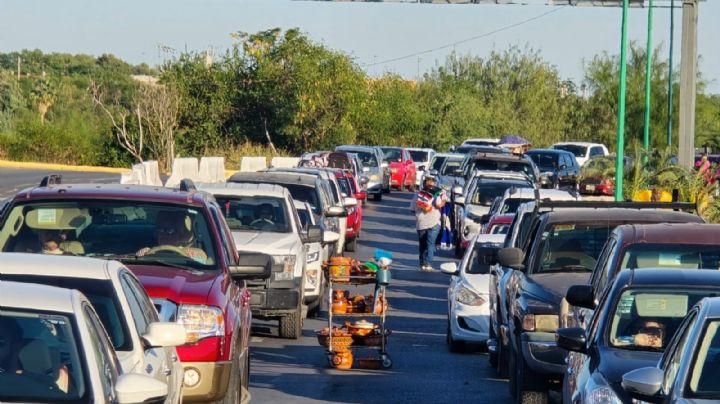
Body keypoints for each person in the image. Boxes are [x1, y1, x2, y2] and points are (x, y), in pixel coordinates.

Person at [137, 210, 207, 263]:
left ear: (180, 233)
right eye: (161, 230)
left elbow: (204, 266)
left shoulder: (192, 252)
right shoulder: (151, 252)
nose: (164, 234)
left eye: (170, 230)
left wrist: (194, 259)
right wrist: (141, 254)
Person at [410, 175, 447, 272]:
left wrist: (419, 213)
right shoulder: (437, 194)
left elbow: (412, 209)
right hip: (434, 222)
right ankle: (428, 264)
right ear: (433, 185)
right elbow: (439, 205)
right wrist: (444, 201)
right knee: (431, 244)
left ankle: (422, 264)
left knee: (422, 244)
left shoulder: (418, 195)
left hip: (421, 223)